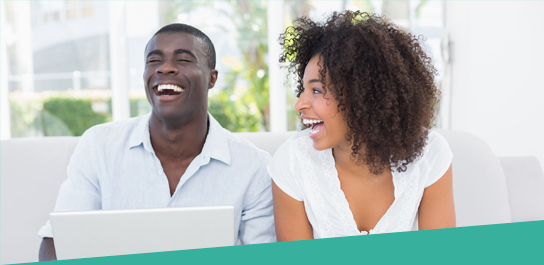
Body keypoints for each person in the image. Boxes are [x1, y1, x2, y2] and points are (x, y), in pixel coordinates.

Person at [38, 23, 275, 261]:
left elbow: (263, 257)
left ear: (212, 78)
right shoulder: (98, 146)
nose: (165, 68)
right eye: (154, 60)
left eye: (183, 60)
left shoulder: (253, 166)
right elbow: (57, 243)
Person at [268, 11, 455, 240]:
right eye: (303, 90)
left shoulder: (430, 154)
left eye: (316, 90)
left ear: (362, 96)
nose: (299, 104)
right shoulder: (292, 162)